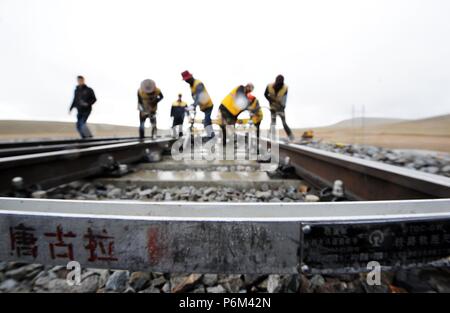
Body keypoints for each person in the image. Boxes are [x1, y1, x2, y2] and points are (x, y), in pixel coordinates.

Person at [181, 71, 215, 141]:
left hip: (208, 105)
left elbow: (200, 96)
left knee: (206, 121)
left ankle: (211, 137)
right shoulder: (191, 85)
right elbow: (195, 97)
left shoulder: (198, 84)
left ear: (190, 77)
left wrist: (194, 105)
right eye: (185, 80)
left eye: (187, 80)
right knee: (206, 121)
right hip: (203, 106)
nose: (186, 81)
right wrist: (193, 105)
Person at [264, 74, 294, 141]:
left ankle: (291, 137)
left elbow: (284, 98)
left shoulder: (285, 88)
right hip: (273, 108)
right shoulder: (269, 86)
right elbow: (265, 94)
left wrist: (282, 107)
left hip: (281, 108)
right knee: (273, 123)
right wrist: (271, 101)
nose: (279, 86)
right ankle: (270, 137)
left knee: (284, 123)